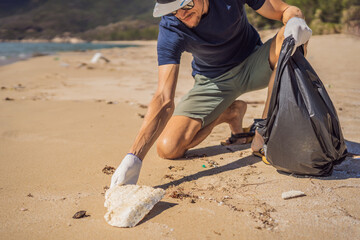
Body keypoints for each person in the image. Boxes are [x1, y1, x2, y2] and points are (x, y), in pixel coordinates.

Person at [110, 0, 312, 188]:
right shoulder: (171, 27)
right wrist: (134, 157)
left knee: (291, 36)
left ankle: (263, 134)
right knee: (168, 148)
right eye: (172, 10)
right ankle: (229, 112)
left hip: (255, 63)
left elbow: (288, 10)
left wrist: (295, 21)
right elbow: (163, 97)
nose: (181, 14)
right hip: (213, 82)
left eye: (186, 5)